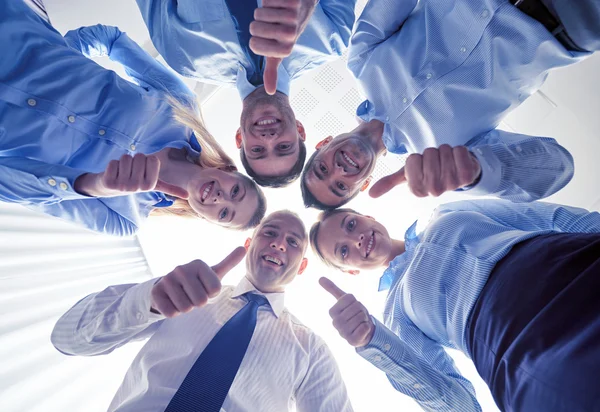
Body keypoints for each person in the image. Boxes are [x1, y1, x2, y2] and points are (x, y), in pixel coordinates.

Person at [301, 0, 600, 209]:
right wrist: (477, 173)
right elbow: (558, 166)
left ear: (323, 143)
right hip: (572, 22)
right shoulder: (450, 160)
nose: (338, 170)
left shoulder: (361, 60)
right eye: (341, 186)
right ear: (363, 186)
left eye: (322, 169)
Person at [0, 1, 266, 236]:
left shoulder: (123, 220)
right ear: (230, 171)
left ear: (206, 219)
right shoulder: (182, 106)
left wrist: (93, 184)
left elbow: (12, 187)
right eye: (235, 192)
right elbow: (112, 40)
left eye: (224, 214)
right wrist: (57, 55)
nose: (221, 199)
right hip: (13, 30)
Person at [310, 201, 600, 411]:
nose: (356, 238)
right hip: (522, 347)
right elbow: (461, 406)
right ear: (350, 271)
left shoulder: (447, 212)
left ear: (366, 215)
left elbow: (549, 217)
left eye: (350, 224)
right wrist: (372, 341)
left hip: (571, 262)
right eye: (344, 250)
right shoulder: (394, 314)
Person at [51, 210, 353, 411]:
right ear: (249, 244)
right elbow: (66, 338)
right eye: (270, 233)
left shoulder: (311, 350)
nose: (278, 245)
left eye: (292, 242)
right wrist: (148, 300)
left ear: (301, 266)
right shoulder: (181, 293)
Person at [134, 0, 356, 187]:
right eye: (284, 147)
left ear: (240, 137)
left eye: (258, 150)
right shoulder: (331, 40)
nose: (270, 139)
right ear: (299, 130)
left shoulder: (185, 60)